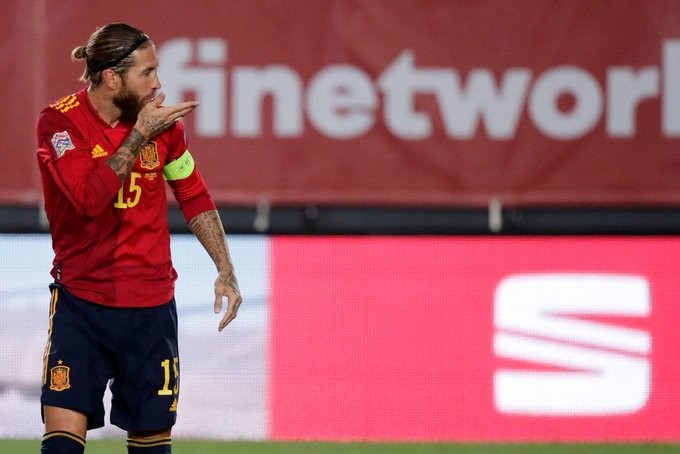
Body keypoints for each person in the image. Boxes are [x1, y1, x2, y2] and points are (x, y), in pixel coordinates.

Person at [35, 23, 242, 454]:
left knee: (151, 447)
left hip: (151, 311)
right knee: (61, 447)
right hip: (82, 304)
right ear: (112, 77)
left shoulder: (165, 128)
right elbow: (88, 199)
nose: (157, 83)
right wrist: (139, 135)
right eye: (147, 72)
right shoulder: (60, 123)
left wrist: (225, 268)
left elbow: (193, 194)